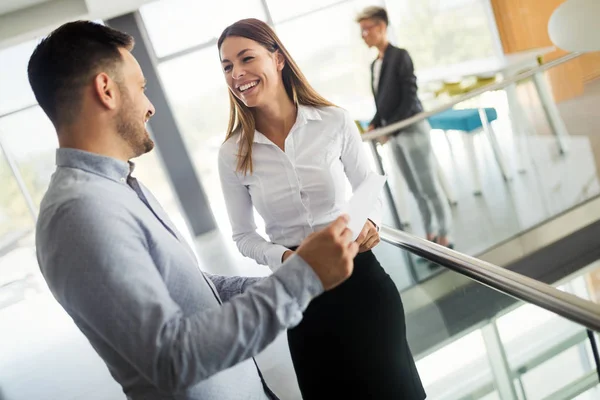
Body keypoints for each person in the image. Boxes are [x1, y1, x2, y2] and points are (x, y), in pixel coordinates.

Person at [30, 20, 360, 400]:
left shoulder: (116, 189)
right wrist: (301, 277)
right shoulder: (78, 214)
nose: (150, 106)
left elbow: (194, 291)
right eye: (140, 88)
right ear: (106, 90)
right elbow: (171, 359)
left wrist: (302, 281)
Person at [217, 18, 426, 399]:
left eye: (246, 58)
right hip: (300, 297)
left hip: (362, 285)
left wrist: (371, 221)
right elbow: (243, 236)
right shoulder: (232, 152)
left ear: (277, 59)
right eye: (227, 66)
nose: (237, 73)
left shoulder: (333, 120)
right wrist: (284, 257)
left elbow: (368, 184)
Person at [357, 6, 452, 248]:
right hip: (395, 134)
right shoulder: (374, 64)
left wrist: (390, 130)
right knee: (413, 187)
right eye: (362, 30)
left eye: (367, 29)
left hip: (411, 129)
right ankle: (430, 232)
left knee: (428, 185)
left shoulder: (401, 56)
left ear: (381, 27)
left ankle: (445, 233)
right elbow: (383, 101)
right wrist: (376, 123)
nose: (363, 34)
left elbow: (410, 98)